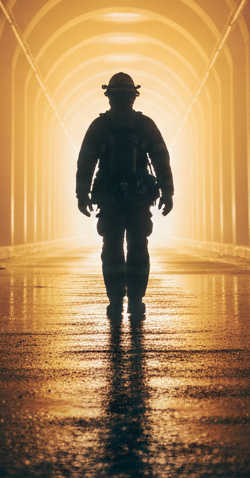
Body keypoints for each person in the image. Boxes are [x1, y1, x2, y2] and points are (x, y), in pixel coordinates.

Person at [76, 72, 174, 318]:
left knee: (112, 249)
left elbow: (86, 161)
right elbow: (161, 159)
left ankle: (115, 301)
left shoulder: (99, 126)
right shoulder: (145, 125)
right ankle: (136, 301)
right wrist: (167, 191)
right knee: (138, 247)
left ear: (109, 97)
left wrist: (82, 194)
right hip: (139, 199)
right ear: (134, 97)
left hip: (109, 200)